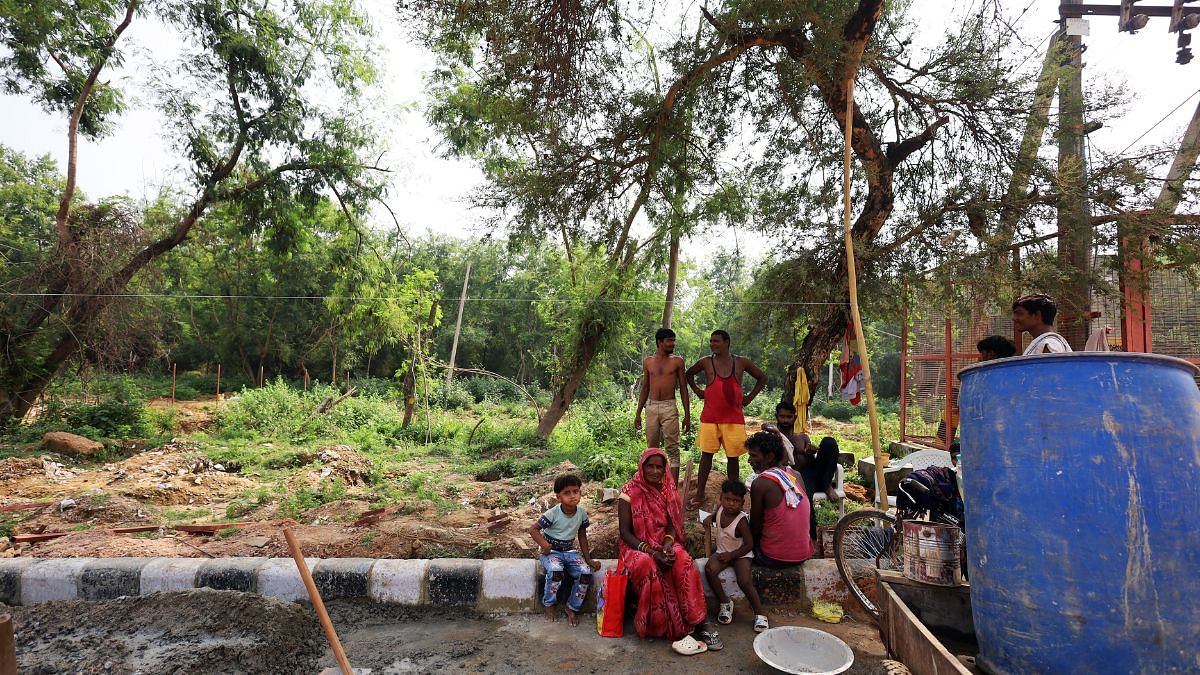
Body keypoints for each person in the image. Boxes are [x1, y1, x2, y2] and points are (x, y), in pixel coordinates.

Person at [617, 448, 718, 655]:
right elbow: (625, 533)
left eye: (659, 467)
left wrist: (668, 545)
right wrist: (652, 553)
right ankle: (658, 625)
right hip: (636, 546)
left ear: (664, 469)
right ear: (642, 467)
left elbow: (672, 524)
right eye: (650, 466)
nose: (654, 471)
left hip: (663, 543)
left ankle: (700, 622)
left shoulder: (667, 490)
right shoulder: (628, 491)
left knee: (684, 561)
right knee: (646, 565)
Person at [686, 330, 767, 509]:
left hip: (733, 419)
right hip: (710, 418)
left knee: (733, 458)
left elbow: (762, 377)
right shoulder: (706, 362)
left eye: (716, 341)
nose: (712, 344)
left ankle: (734, 496)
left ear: (727, 342)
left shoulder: (741, 362)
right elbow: (688, 374)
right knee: (706, 456)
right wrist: (698, 391)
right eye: (711, 341)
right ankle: (699, 494)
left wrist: (749, 398)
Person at [529, 474, 601, 626]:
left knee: (586, 573)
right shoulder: (553, 513)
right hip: (551, 553)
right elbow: (533, 529)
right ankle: (549, 604)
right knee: (555, 571)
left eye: (576, 491)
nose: (573, 496)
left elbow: (582, 537)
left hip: (569, 552)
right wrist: (544, 545)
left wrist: (588, 560)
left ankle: (572, 607)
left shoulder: (581, 513)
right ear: (559, 497)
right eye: (567, 493)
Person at [702, 480, 768, 633]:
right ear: (721, 498)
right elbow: (714, 516)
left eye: (736, 501)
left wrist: (732, 555)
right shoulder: (720, 509)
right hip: (723, 551)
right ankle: (725, 603)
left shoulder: (741, 521)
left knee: (744, 581)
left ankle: (759, 613)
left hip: (740, 554)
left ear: (742, 502)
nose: (731, 504)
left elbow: (749, 545)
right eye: (727, 499)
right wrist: (709, 519)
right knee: (710, 570)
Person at [746, 431, 814, 569]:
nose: (749, 460)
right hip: (803, 554)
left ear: (770, 456)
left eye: (753, 456)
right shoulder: (796, 475)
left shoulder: (760, 484)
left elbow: (755, 528)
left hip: (773, 558)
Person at [634, 328, 691, 481]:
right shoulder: (648, 362)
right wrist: (638, 413)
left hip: (669, 406)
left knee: (672, 448)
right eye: (669, 340)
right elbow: (645, 387)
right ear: (660, 342)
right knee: (652, 449)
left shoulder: (677, 361)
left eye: (673, 340)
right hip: (651, 407)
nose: (673, 344)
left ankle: (671, 488)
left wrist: (687, 415)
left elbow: (684, 388)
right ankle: (653, 485)